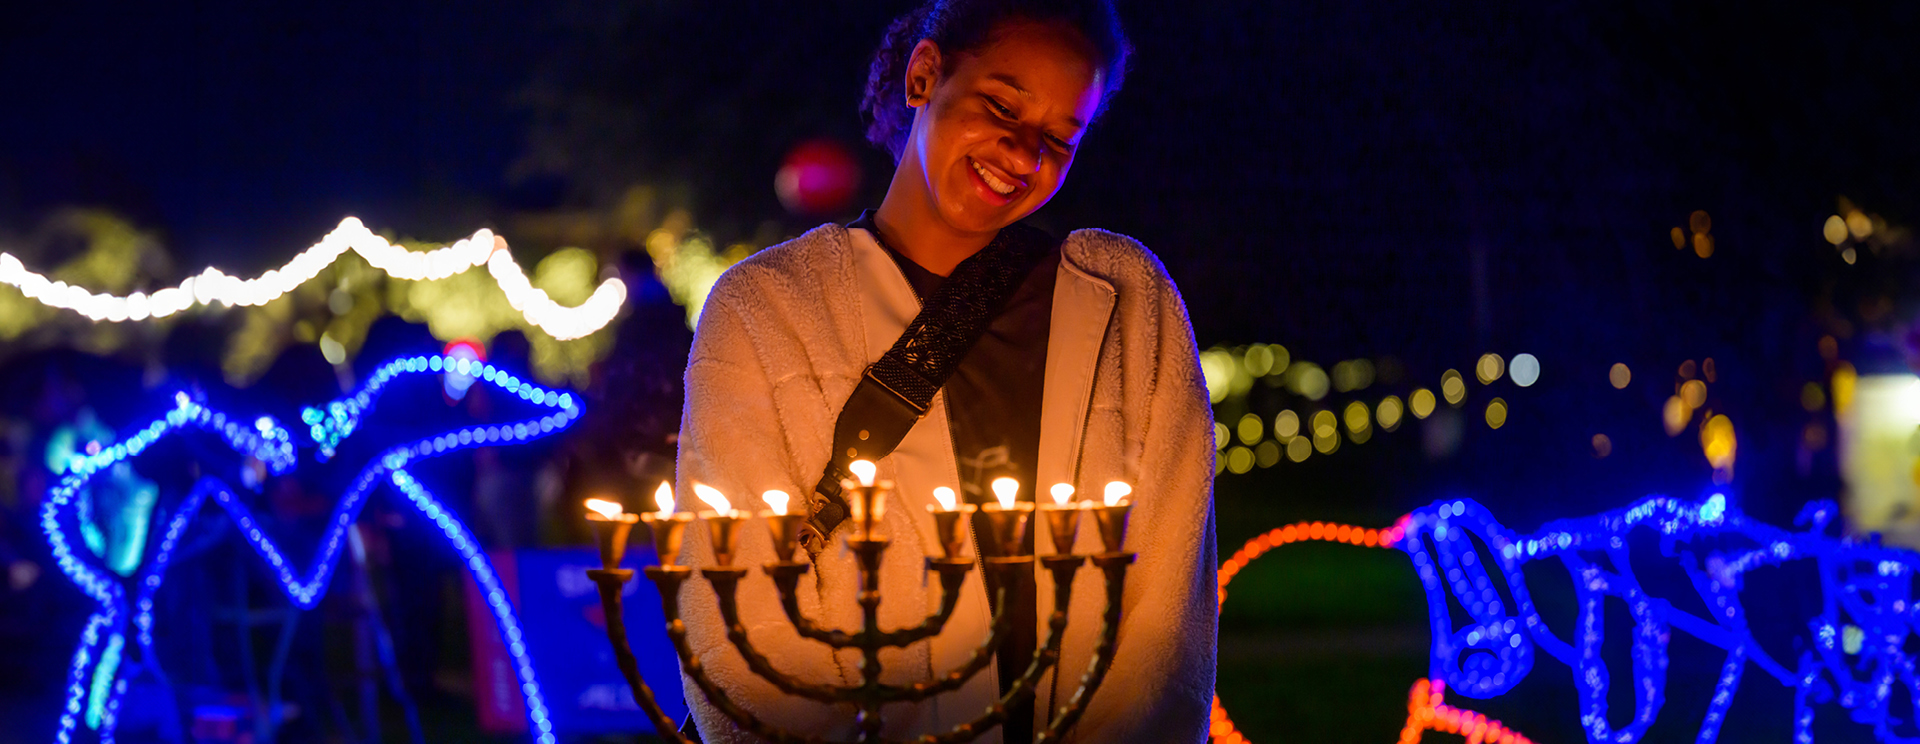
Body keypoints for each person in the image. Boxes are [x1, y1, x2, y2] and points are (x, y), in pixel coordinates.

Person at [673, 1, 1216, 741]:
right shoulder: (768, 308)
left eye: (1061, 137)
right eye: (1001, 106)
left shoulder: (1127, 302)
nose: (1025, 156)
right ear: (925, 74)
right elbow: (735, 625)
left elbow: (1165, 618)